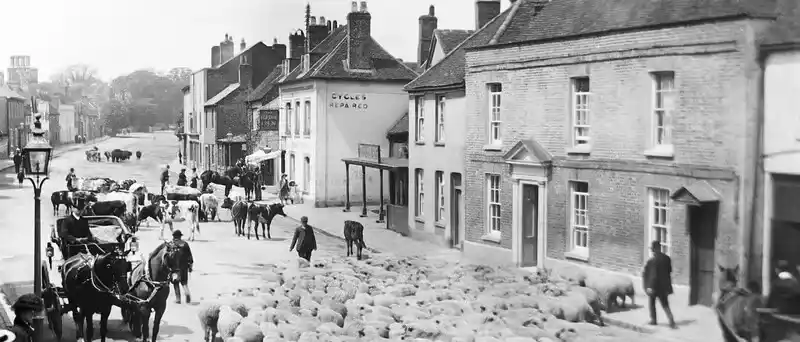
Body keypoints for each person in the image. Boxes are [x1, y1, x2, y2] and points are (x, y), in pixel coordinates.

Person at [642, 240, 676, 329]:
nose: (652, 250)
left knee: (652, 303)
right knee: (665, 304)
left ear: (654, 249)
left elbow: (653, 275)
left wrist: (650, 286)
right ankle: (671, 321)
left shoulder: (652, 261)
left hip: (655, 286)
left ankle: (653, 320)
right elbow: (670, 271)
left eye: (652, 248)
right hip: (664, 286)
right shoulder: (667, 258)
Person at [170, 230, 194, 304]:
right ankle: (187, 293)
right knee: (184, 282)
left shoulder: (172, 244)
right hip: (184, 267)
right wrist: (190, 266)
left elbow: (169, 257)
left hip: (175, 268)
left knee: (176, 282)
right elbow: (190, 256)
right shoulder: (185, 244)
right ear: (180, 236)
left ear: (174, 237)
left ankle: (178, 299)